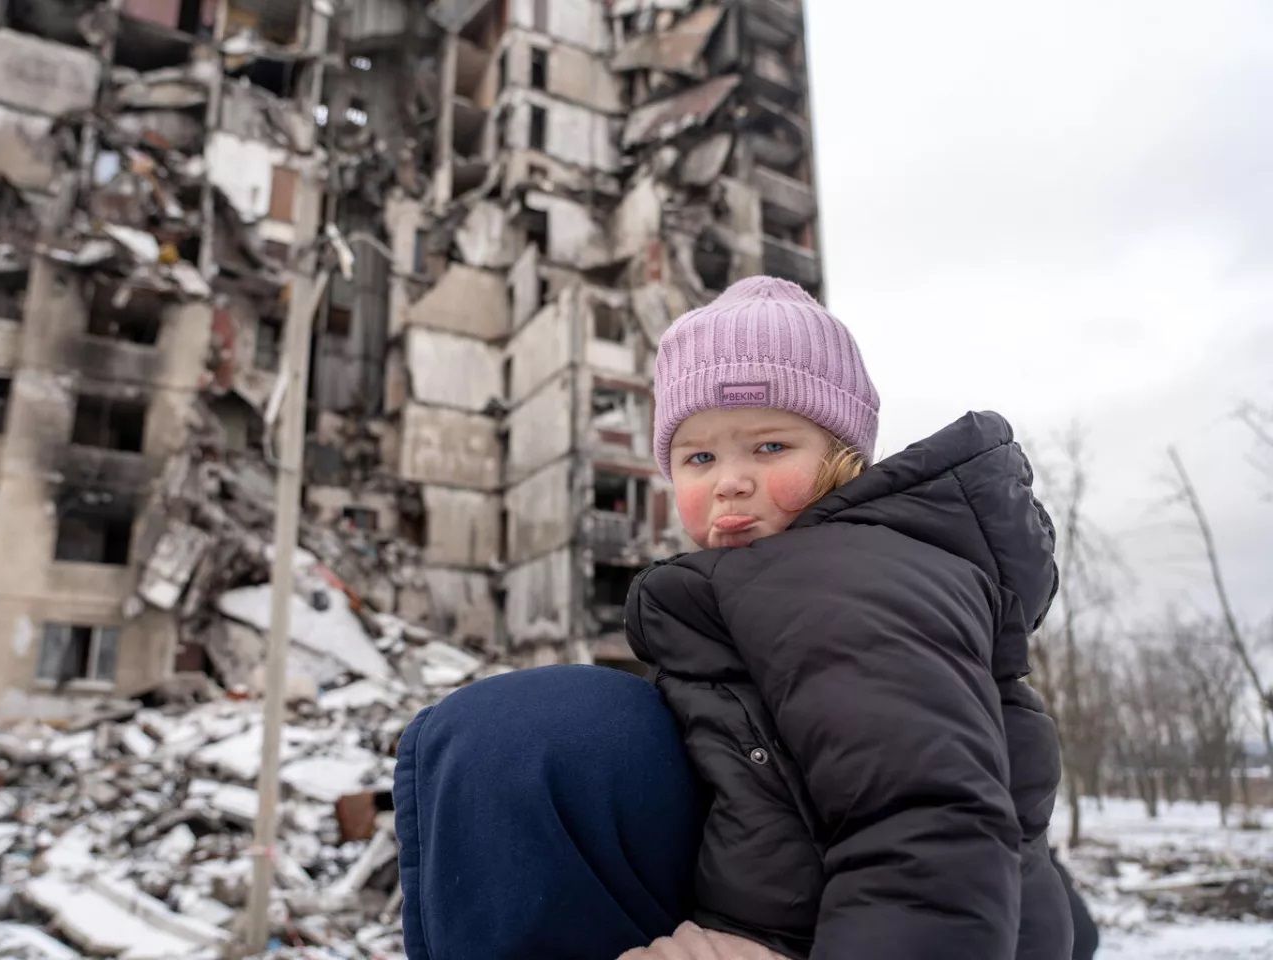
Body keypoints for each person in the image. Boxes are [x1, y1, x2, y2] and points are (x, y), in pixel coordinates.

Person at [394, 276, 1071, 959]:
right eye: (699, 457)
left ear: (845, 459)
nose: (729, 480)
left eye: (770, 448)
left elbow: (923, 825)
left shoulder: (856, 581)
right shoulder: (771, 587)